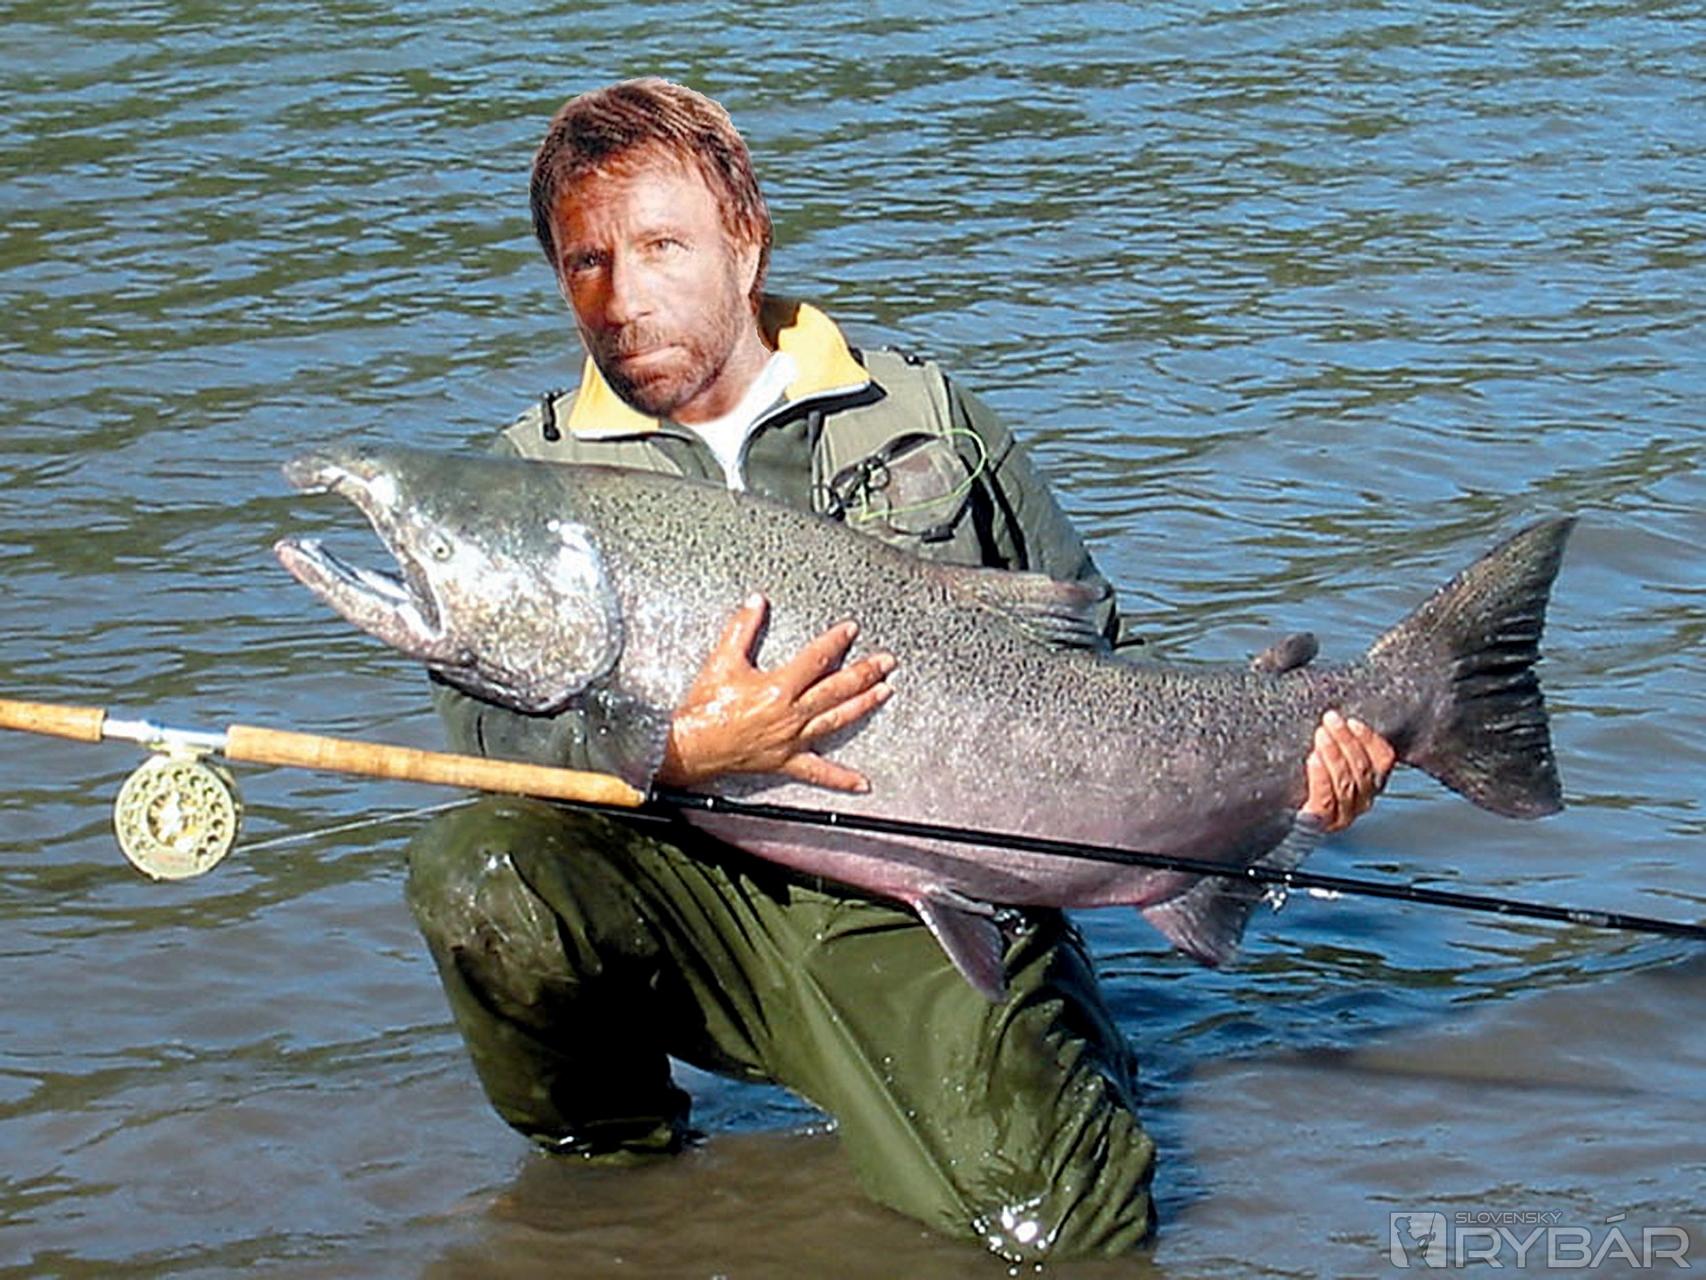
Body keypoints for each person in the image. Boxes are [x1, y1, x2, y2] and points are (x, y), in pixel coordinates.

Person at [404, 78, 1395, 1262]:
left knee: (1071, 1231)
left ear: (745, 240)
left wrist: (1290, 769)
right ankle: (612, 1170)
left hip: (919, 905)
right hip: (674, 895)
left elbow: (1098, 665)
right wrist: (681, 754)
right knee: (477, 864)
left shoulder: (922, 412)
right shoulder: (527, 482)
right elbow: (486, 741)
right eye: (585, 262)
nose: (621, 297)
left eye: (660, 246)